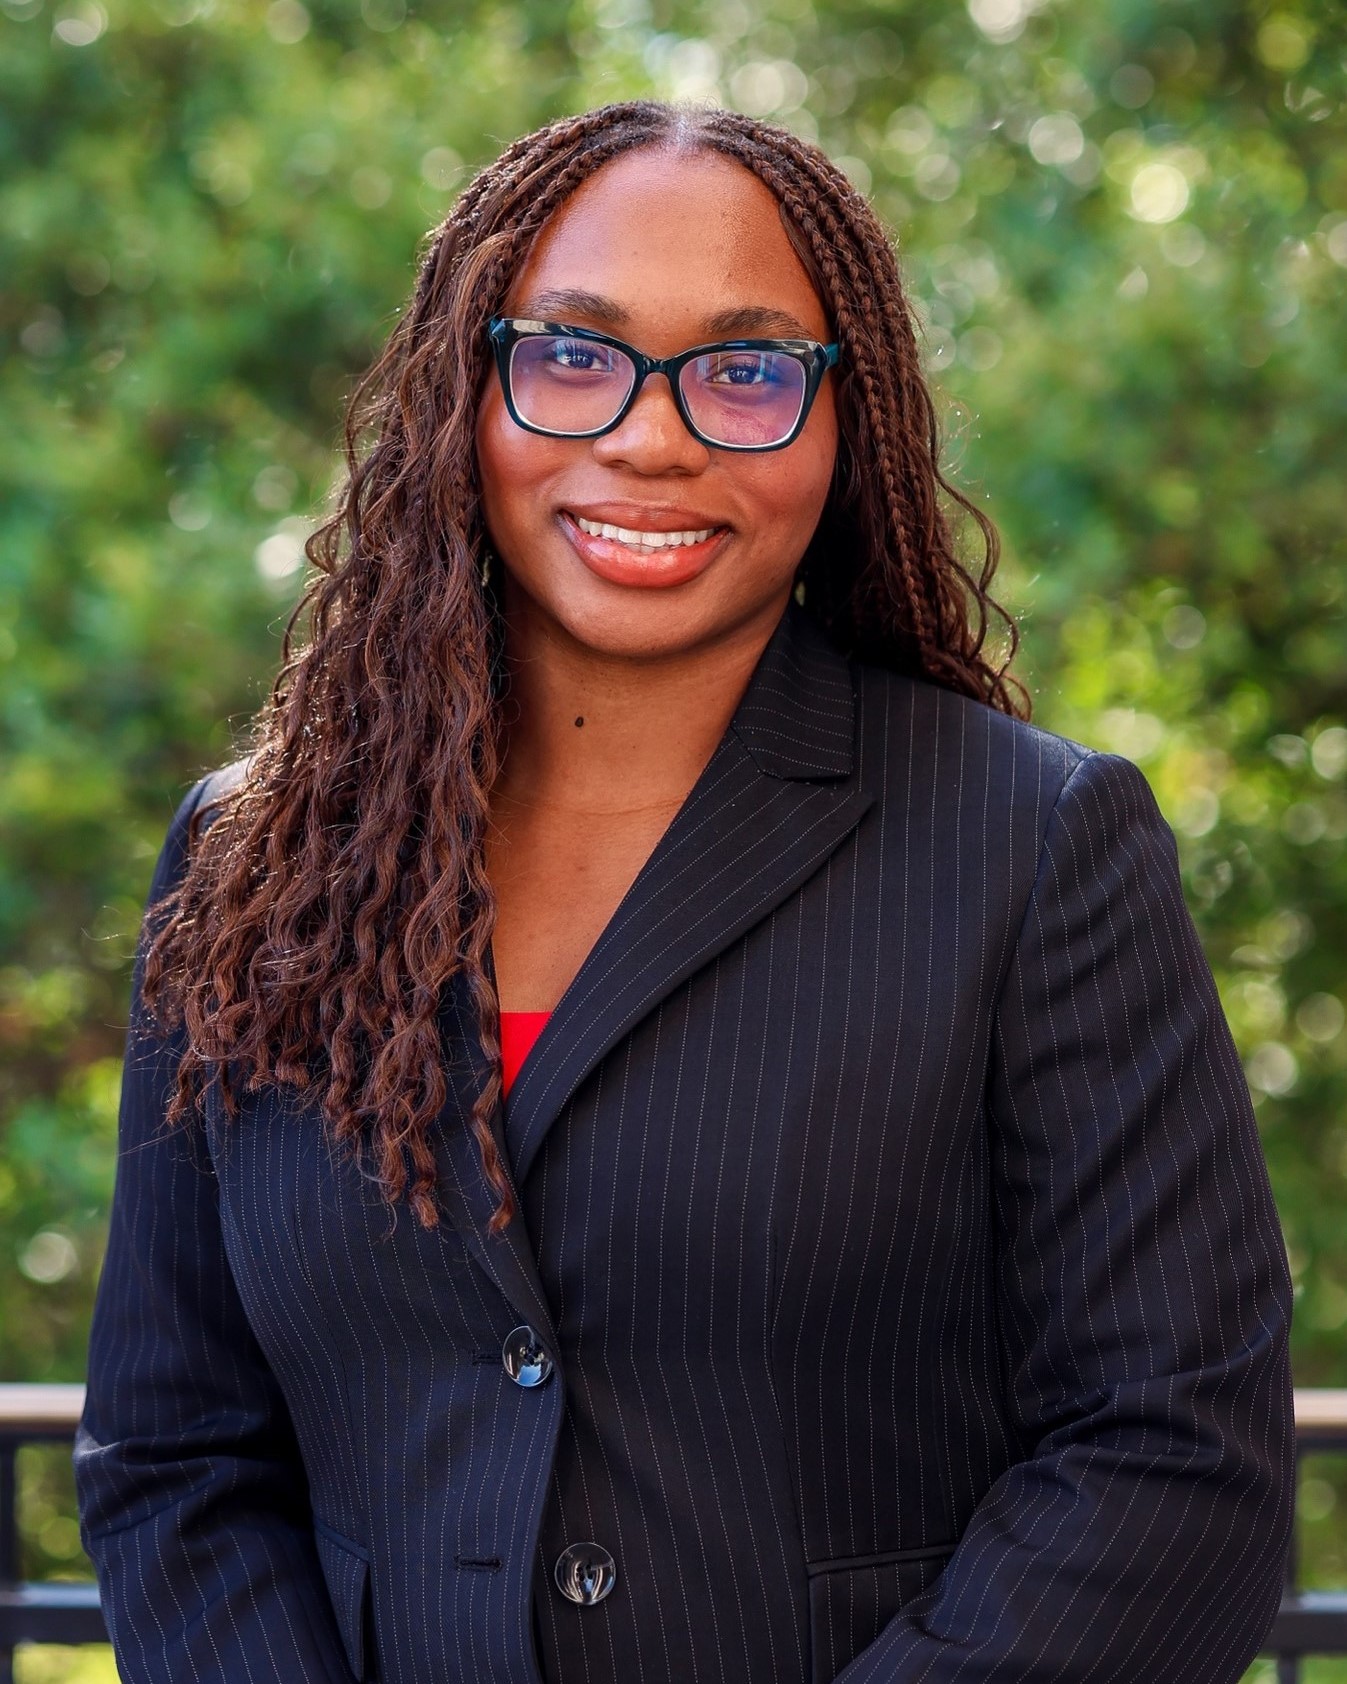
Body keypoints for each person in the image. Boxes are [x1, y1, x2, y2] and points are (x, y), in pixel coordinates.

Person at [75, 100, 1293, 1684]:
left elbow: (1173, 1459)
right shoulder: (255, 861)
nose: (653, 435)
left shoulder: (1034, 845)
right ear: (470, 390)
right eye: (573, 355)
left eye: (746, 370)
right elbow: (176, 1459)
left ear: (847, 421)